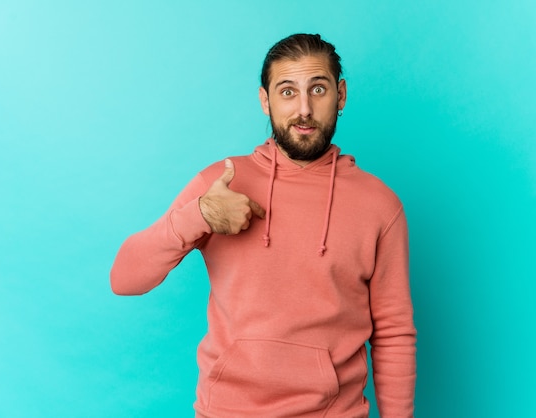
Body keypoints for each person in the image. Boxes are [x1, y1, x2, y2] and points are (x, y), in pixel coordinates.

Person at [111, 33, 416, 418]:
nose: (304, 109)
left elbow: (393, 333)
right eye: (287, 92)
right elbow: (124, 278)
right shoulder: (221, 183)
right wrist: (198, 215)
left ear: (341, 96)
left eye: (317, 89)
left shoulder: (379, 205)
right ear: (264, 100)